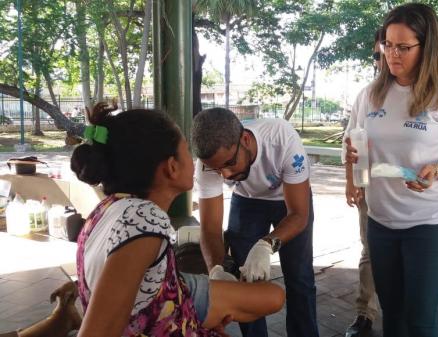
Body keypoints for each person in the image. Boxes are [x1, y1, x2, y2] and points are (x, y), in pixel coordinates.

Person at [62, 102, 284, 337]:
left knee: (271, 296)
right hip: (162, 324)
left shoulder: (107, 207)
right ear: (172, 167)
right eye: (187, 150)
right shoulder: (145, 221)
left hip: (163, 304)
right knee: (269, 296)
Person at [345, 4, 438, 337]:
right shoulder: (370, 95)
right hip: (381, 223)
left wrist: (437, 170)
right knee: (394, 316)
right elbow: (355, 144)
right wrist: (352, 167)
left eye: (403, 47)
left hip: (430, 227)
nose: (392, 54)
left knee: (420, 320)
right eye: (387, 44)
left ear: (426, 46)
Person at [192, 108, 318, 337]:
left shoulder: (282, 138)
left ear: (246, 140)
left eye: (230, 163)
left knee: (300, 280)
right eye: (217, 169)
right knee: (244, 283)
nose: (226, 175)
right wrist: (216, 269)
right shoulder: (207, 163)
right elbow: (209, 228)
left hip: (288, 200)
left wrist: (266, 244)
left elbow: (299, 214)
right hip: (247, 201)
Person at [343, 27, 384, 337]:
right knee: (370, 251)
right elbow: (351, 142)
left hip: (414, 199)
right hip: (372, 192)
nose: (385, 60)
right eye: (378, 54)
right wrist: (350, 182)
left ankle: (406, 314)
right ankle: (364, 315)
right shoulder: (367, 95)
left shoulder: (431, 93)